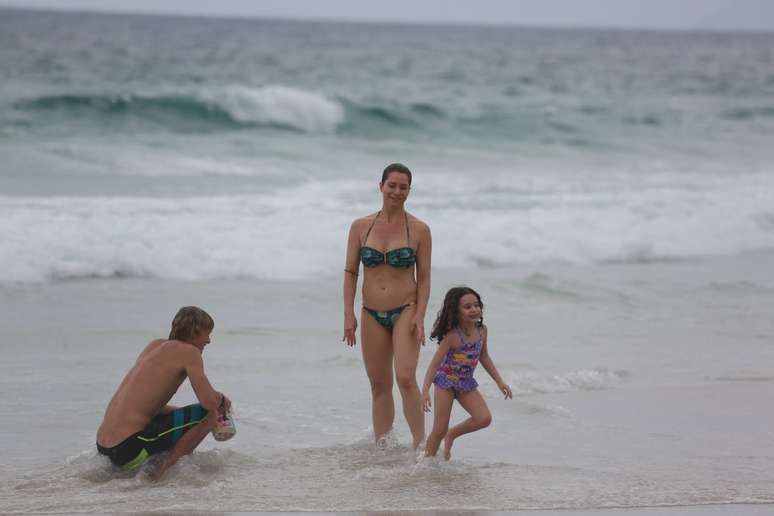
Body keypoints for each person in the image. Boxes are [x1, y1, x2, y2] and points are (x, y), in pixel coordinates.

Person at [343, 163, 432, 449]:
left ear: (409, 191)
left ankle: (421, 446)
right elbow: (351, 272)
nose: (396, 192)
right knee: (379, 385)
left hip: (405, 308)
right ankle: (383, 447)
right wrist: (348, 314)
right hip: (370, 312)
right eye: (391, 185)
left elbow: (425, 278)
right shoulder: (360, 226)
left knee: (405, 378)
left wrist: (419, 315)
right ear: (380, 186)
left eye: (403, 187)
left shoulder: (419, 229)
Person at [96, 306, 231, 479]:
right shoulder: (190, 352)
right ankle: (161, 471)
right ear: (196, 331)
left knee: (175, 415)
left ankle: (150, 464)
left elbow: (148, 406)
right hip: (128, 450)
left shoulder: (153, 346)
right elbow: (209, 403)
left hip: (105, 450)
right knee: (211, 413)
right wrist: (222, 401)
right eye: (207, 333)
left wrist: (181, 415)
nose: (209, 340)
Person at [421, 287, 512, 459]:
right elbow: (434, 365)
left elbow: (484, 357)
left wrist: (500, 382)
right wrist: (425, 391)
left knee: (484, 418)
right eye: (467, 307)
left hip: (466, 384)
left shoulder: (482, 331)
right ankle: (427, 463)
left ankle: (452, 435)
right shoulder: (452, 336)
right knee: (439, 429)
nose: (474, 309)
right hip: (445, 384)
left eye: (476, 305)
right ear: (456, 312)